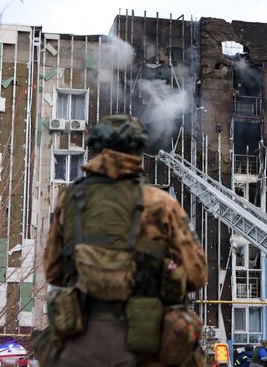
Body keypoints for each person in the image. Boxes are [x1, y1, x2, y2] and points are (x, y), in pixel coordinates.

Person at [43, 115, 208, 367]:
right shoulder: (160, 203)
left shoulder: (69, 200)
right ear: (138, 151)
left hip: (82, 346)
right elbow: (197, 274)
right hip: (144, 346)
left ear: (95, 150)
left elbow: (53, 271)